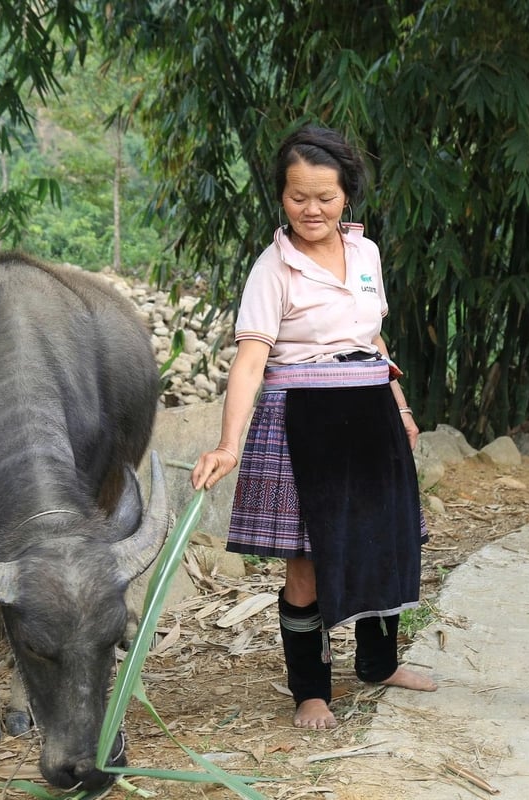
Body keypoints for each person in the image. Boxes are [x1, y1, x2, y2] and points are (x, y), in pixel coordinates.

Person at [191, 124, 437, 730]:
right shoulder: (272, 270)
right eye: (299, 196)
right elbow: (251, 360)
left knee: (384, 542)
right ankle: (311, 691)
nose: (312, 209)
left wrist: (401, 406)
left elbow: (373, 337)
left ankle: (378, 665)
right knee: (306, 561)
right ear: (281, 196)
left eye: (325, 197)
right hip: (302, 420)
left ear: (346, 194)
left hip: (371, 411)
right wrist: (229, 444)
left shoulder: (367, 254)